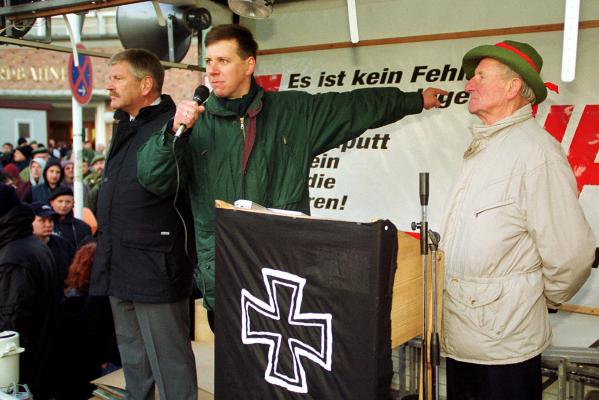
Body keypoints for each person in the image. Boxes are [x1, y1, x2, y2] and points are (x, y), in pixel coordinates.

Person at [137, 24, 447, 329]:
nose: (213, 71)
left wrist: (415, 99)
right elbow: (152, 177)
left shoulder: (294, 113)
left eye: (223, 60)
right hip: (225, 274)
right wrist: (171, 132)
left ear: (249, 65)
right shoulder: (194, 124)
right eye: (209, 62)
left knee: (282, 370)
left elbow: (356, 106)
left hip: (283, 273)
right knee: (235, 372)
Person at [439, 40, 596, 400]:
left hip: (503, 344)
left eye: (480, 76)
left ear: (512, 88)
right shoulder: (486, 147)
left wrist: (529, 299)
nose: (468, 85)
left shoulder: (535, 153)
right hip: (468, 336)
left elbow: (572, 255)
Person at [88, 48, 197, 399]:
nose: (109, 85)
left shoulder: (171, 127)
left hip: (155, 267)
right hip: (119, 263)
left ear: (146, 83)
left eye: (118, 78)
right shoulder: (127, 125)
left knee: (170, 364)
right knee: (134, 361)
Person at [0, 184, 61, 399]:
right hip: (42, 362)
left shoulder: (12, 258)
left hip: (23, 372)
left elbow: (10, 328)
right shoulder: (29, 244)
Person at [31, 201, 75, 285]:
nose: (48, 225)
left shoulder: (64, 245)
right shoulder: (23, 247)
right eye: (42, 220)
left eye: (51, 220)